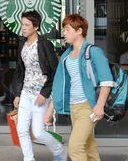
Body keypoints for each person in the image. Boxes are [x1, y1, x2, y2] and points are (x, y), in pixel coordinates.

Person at [45, 14, 113, 161]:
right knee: (89, 148)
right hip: (74, 107)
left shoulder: (93, 52)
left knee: (75, 148)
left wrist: (100, 105)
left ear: (79, 30)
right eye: (64, 29)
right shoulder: (66, 56)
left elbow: (107, 80)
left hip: (88, 107)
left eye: (68, 29)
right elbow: (59, 84)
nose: (65, 33)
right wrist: (50, 111)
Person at [11, 11, 67, 161]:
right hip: (25, 92)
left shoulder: (44, 44)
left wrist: (44, 93)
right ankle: (29, 159)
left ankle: (59, 150)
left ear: (36, 27)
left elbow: (55, 71)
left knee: (38, 132)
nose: (23, 27)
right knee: (21, 130)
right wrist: (17, 94)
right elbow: (20, 70)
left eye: (27, 25)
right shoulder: (22, 43)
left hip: (40, 95)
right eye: (22, 24)